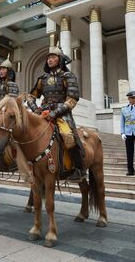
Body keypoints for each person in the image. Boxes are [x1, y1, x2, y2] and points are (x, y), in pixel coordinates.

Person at [26, 46, 85, 182]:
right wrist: (35, 109)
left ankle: (79, 169)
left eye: (53, 57)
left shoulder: (68, 76)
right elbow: (30, 96)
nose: (49, 60)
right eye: (48, 57)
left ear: (60, 60)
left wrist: (55, 112)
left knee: (68, 136)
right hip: (43, 113)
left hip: (62, 115)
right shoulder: (43, 79)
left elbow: (72, 100)